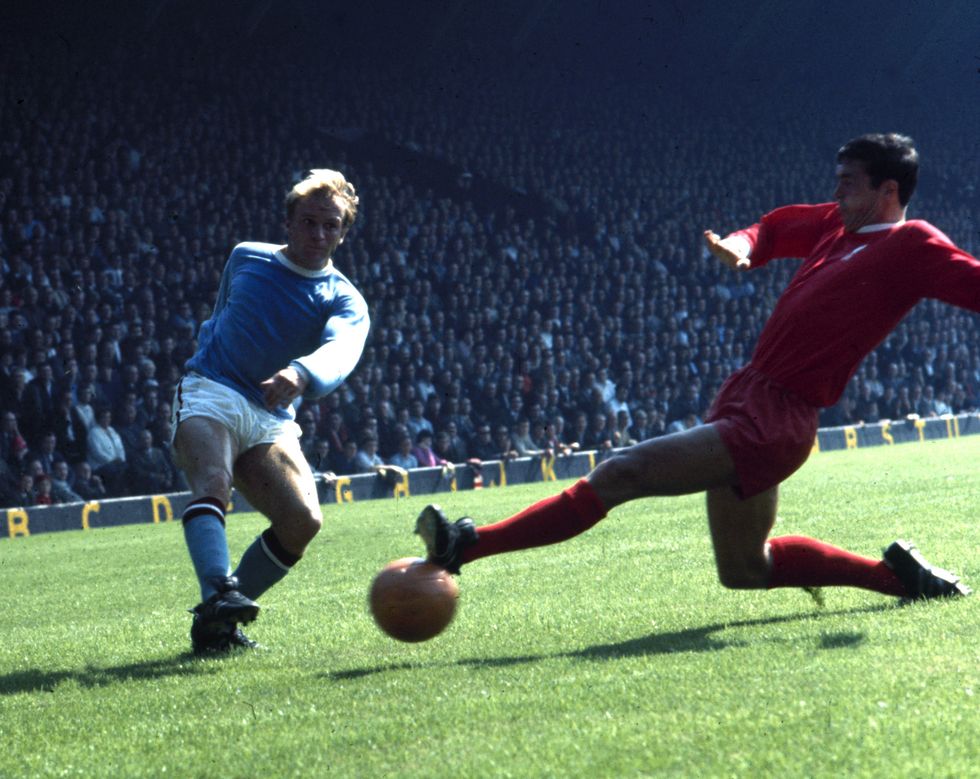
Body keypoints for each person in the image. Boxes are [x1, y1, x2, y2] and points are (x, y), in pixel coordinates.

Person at [414, 134, 976, 606]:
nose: (835, 191)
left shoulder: (913, 244)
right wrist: (740, 244)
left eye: (847, 182)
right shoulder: (838, 224)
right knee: (744, 570)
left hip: (778, 418)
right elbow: (774, 229)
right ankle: (896, 578)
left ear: (888, 191)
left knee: (621, 473)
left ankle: (466, 544)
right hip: (750, 394)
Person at [171, 169, 369, 655]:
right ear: (288, 222)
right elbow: (220, 319)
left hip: (270, 414)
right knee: (214, 484)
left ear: (343, 232)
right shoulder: (245, 257)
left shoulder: (345, 298)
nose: (319, 234)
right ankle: (219, 596)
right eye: (309, 222)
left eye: (331, 225)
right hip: (211, 390)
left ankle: (215, 624)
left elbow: (343, 348)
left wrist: (302, 373)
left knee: (303, 521)